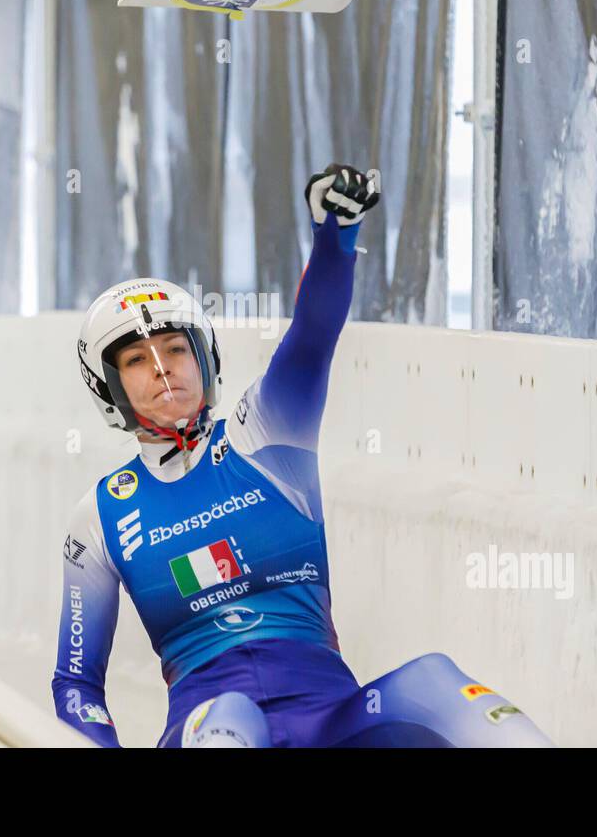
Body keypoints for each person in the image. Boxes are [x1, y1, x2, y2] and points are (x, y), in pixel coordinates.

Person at [52, 163, 552, 747]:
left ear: (205, 360)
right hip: (210, 724)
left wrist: (335, 236)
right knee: (231, 715)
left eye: (174, 349)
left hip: (332, 718)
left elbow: (313, 336)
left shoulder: (261, 432)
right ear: (109, 387)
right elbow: (76, 683)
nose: (163, 371)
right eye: (137, 361)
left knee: (434, 681)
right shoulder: (100, 516)